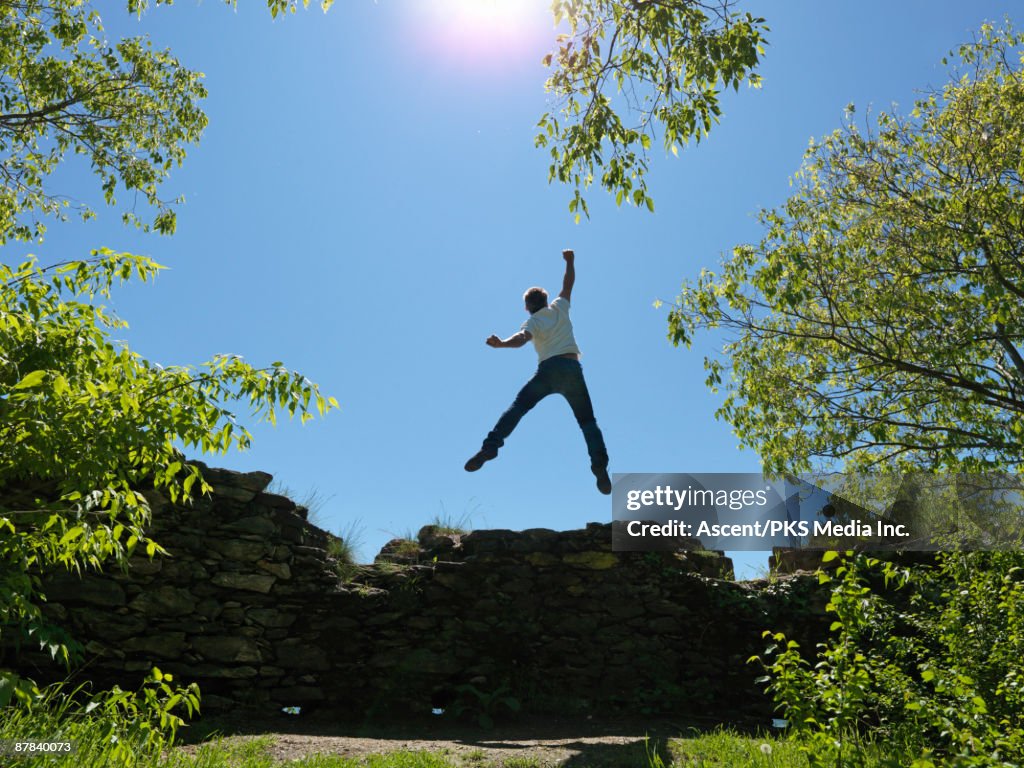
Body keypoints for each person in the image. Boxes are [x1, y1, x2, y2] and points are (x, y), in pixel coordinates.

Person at [464, 249, 611, 494]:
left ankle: (490, 447)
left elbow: (522, 339)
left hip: (548, 371)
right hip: (571, 369)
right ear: (545, 300)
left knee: (518, 408)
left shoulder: (533, 321)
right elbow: (568, 283)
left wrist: (500, 344)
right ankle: (599, 467)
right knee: (588, 422)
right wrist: (570, 261)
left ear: (527, 307)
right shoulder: (559, 307)